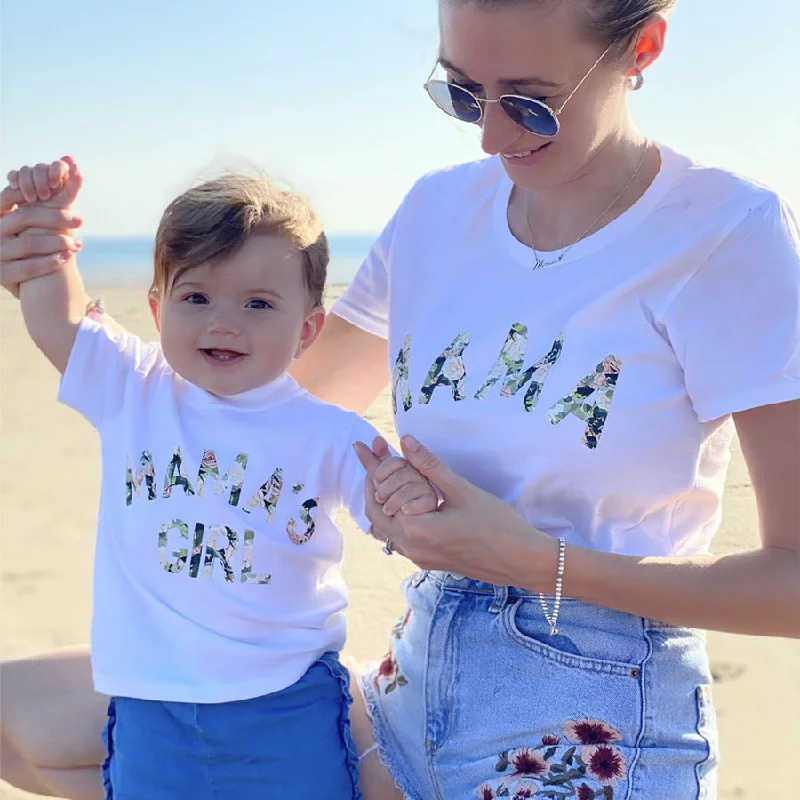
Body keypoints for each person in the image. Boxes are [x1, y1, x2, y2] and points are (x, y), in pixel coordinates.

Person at [2, 0, 800, 798]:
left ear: (643, 50)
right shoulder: (437, 213)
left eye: (529, 101)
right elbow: (265, 403)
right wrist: (51, 284)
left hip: (586, 716)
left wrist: (536, 563)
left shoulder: (726, 234)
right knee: (16, 716)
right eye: (461, 93)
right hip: (406, 686)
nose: (490, 137)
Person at [2, 157, 438, 799]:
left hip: (287, 702)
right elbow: (56, 317)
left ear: (308, 329)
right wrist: (44, 222)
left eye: (259, 303)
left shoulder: (328, 430)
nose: (223, 322)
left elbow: (398, 518)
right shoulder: (133, 388)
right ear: (157, 309)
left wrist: (403, 498)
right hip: (152, 701)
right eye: (196, 297)